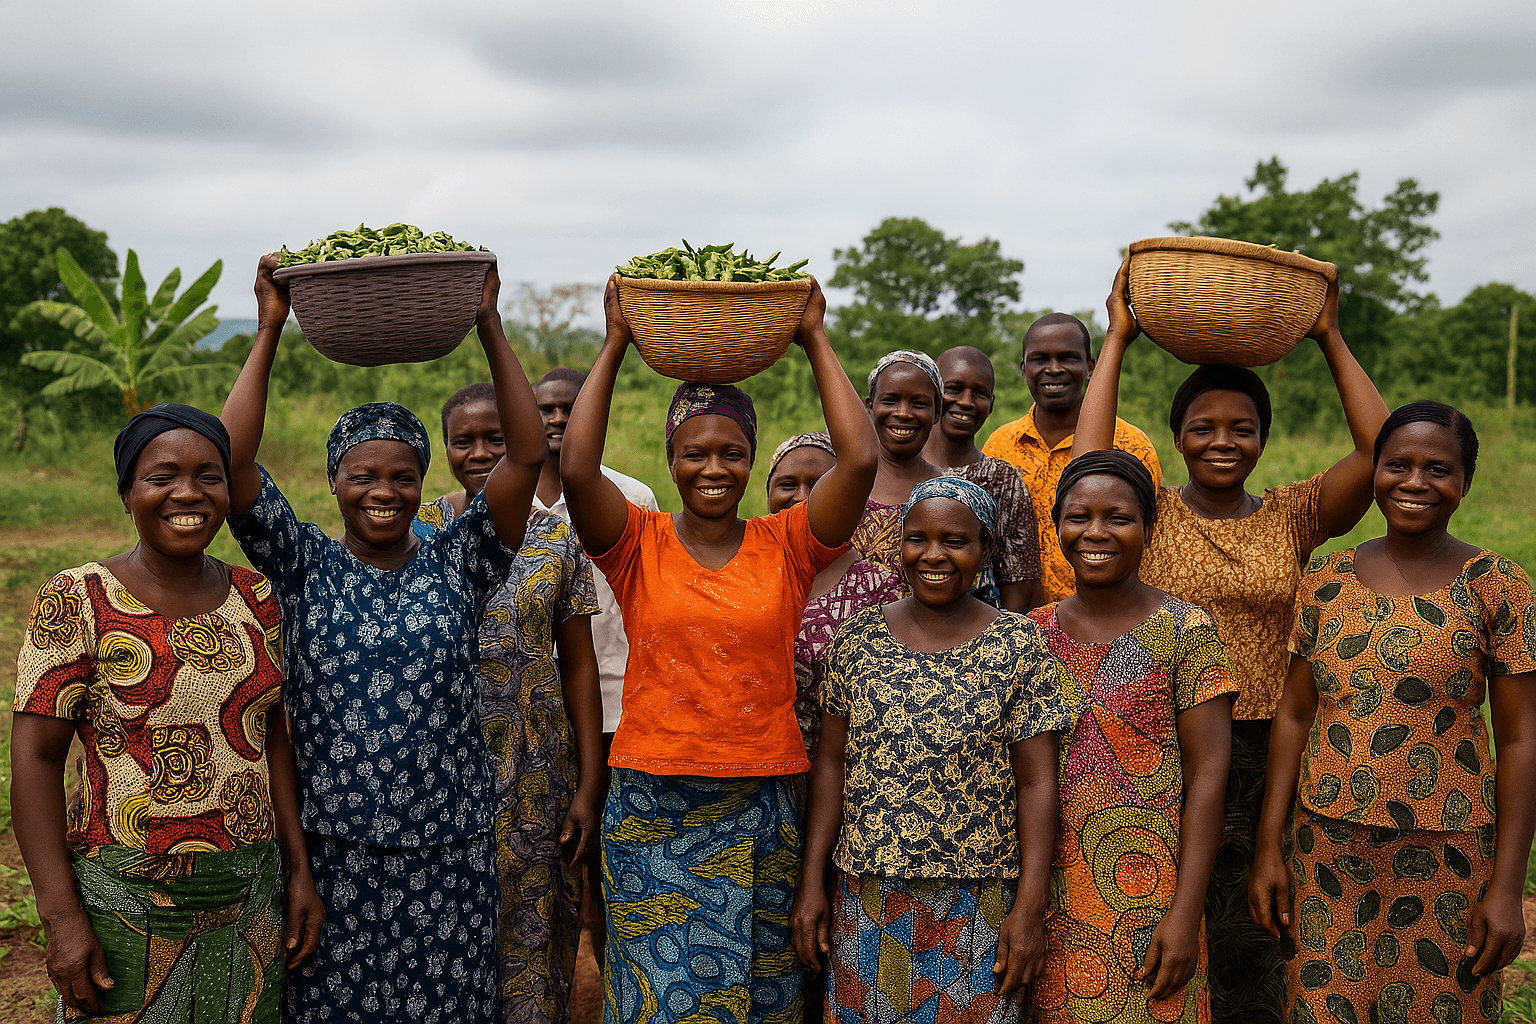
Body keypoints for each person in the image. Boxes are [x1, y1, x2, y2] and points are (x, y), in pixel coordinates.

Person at [221, 255, 547, 1024]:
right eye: (364, 476)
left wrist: (487, 322)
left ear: (421, 481)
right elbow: (230, 460)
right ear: (334, 482)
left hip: (450, 848)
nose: (384, 492)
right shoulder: (303, 563)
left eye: (403, 476)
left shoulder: (462, 558)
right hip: (333, 852)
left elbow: (527, 454)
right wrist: (269, 327)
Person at [1073, 262, 1390, 1023]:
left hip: (1264, 752)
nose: (1223, 441)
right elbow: (1087, 467)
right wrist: (1117, 337)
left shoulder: (1295, 514)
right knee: (1153, 932)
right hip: (1155, 746)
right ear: (1176, 437)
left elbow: (1387, 451)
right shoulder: (1147, 514)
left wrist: (1328, 334)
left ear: (1263, 439)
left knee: (1253, 933)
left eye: (1241, 428)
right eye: (1204, 428)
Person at [560, 275, 878, 1023]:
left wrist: (814, 338)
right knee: (660, 1003)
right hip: (653, 802)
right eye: (695, 453)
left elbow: (859, 462)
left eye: (732, 453)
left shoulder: (789, 544)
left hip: (762, 798)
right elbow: (576, 468)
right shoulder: (637, 543)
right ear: (670, 458)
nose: (713, 469)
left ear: (751, 458)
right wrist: (614, 343)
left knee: (761, 999)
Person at [10, 404, 324, 1023]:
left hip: (249, 896)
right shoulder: (79, 598)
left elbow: (273, 740)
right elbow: (36, 757)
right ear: (128, 493)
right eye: (161, 477)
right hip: (122, 899)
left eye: (209, 475)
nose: (188, 492)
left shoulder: (256, 597)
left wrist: (298, 871)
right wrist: (62, 917)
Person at [1250, 401, 1536, 1024]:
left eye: (1438, 469)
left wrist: (1508, 888)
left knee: (1443, 1004)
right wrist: (1270, 845)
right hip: (1326, 845)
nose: (1415, 482)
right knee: (1326, 1006)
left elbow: (1519, 738)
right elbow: (1294, 715)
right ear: (1375, 470)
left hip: (1450, 852)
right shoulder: (1325, 578)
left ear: (1466, 481)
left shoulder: (1498, 585)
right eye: (1398, 464)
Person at [791, 477, 1066, 1024]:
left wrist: (1030, 908)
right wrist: (811, 884)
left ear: (985, 549)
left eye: (955, 541)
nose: (934, 554)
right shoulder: (858, 639)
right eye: (918, 538)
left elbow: (1038, 784)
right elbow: (831, 767)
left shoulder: (1020, 645)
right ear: (899, 546)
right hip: (868, 898)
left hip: (980, 901)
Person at [1026, 450, 1237, 1024]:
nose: (1096, 532)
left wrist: (1185, 914)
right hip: (1052, 892)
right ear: (1057, 526)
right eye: (1078, 517)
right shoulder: (1027, 636)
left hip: (1150, 890)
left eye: (1118, 518)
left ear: (1147, 527)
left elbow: (1209, 776)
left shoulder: (1186, 629)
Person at [419, 382, 606, 1024]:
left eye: (494, 439)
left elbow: (578, 663)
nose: (478, 453)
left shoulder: (555, 540)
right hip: (436, 775)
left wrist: (587, 782)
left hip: (535, 773)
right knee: (443, 937)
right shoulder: (417, 532)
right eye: (462, 441)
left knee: (533, 936)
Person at [982, 312, 1162, 605]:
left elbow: (1146, 540)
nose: (1054, 369)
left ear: (1090, 365)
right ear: (1023, 367)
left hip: (1110, 613)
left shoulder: (1130, 444)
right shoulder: (1000, 445)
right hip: (1020, 623)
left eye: (1067, 358)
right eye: (1040, 359)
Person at [923, 344, 1043, 611]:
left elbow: (1018, 579)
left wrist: (1002, 641)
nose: (966, 401)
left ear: (991, 405)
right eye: (953, 389)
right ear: (931, 393)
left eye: (980, 394)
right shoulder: (899, 469)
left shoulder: (1004, 480)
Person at [764, 430, 840, 762]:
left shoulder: (879, 587)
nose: (803, 496)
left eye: (819, 484)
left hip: (842, 770)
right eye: (787, 485)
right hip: (756, 770)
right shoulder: (735, 565)